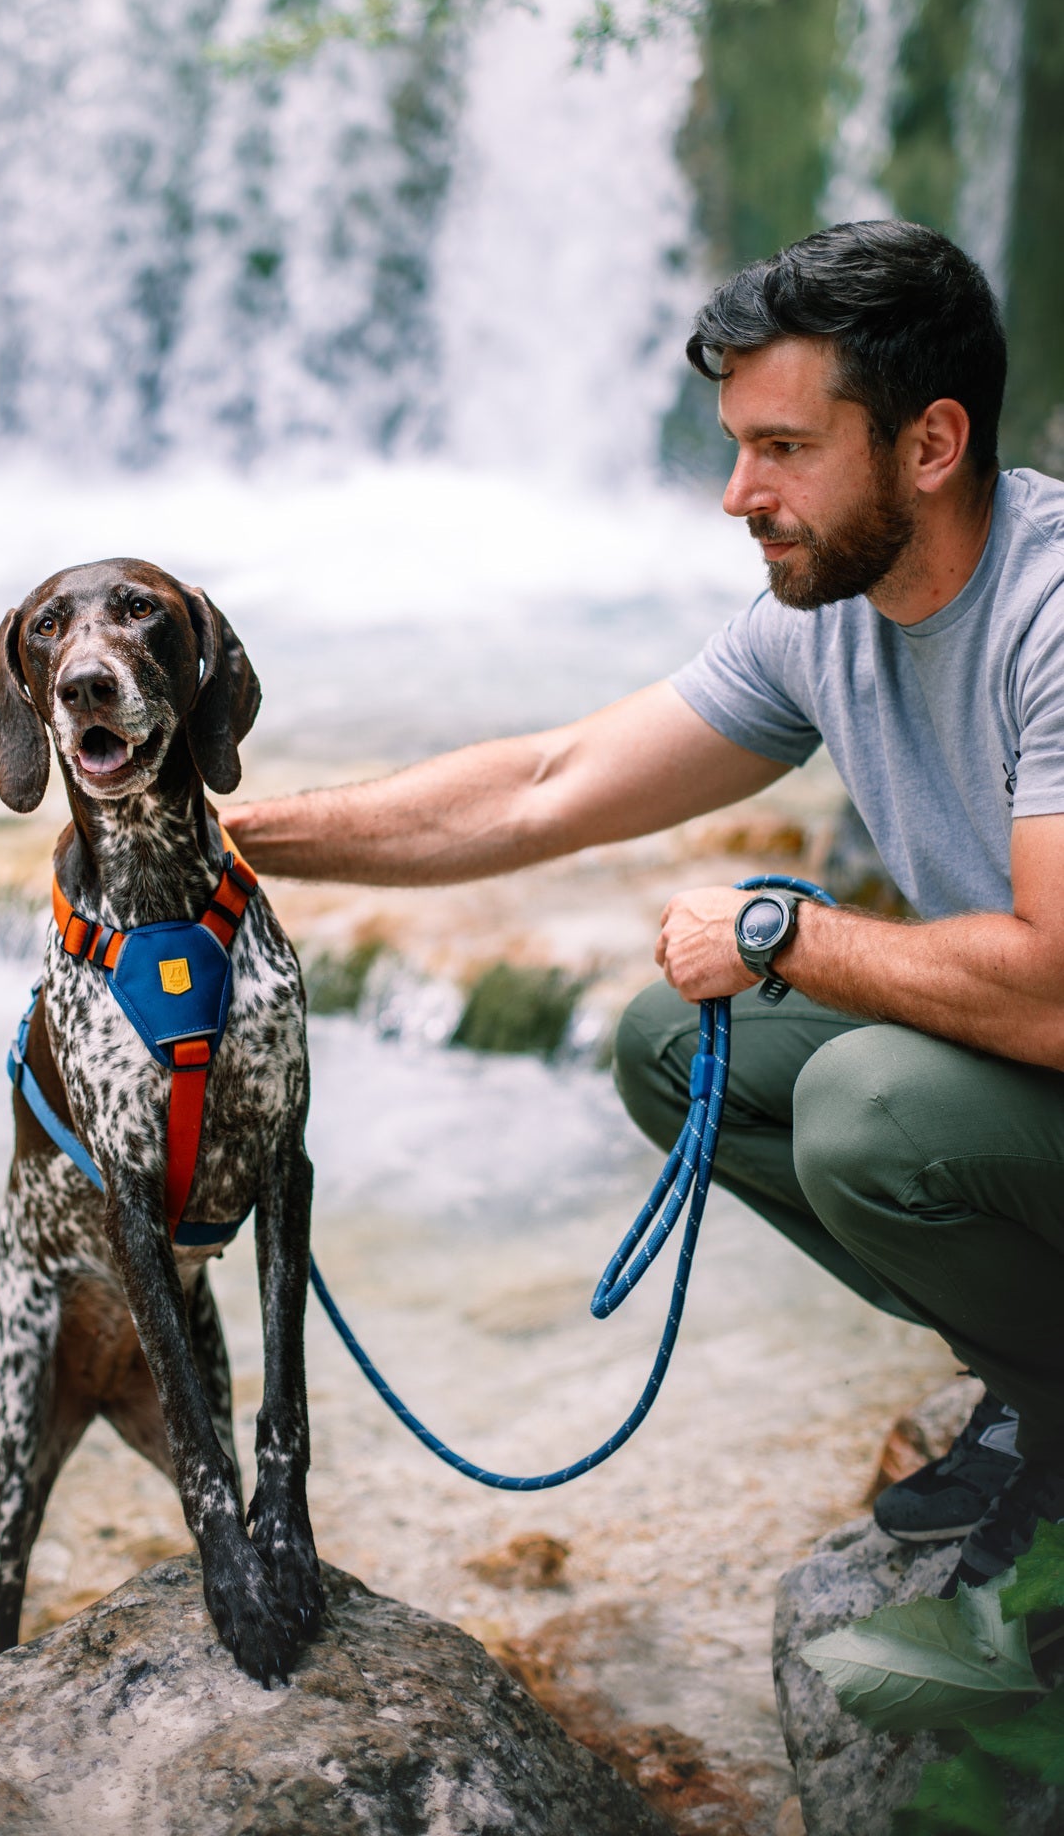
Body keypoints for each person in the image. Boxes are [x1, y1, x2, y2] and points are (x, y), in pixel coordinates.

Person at [228, 220, 1064, 1596]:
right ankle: (1038, 1388)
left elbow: (1046, 991)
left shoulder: (1045, 607)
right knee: (664, 1045)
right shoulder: (822, 615)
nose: (737, 494)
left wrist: (783, 934)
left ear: (928, 445)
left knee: (863, 1112)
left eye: (783, 448)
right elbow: (543, 787)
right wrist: (235, 845)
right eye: (736, 446)